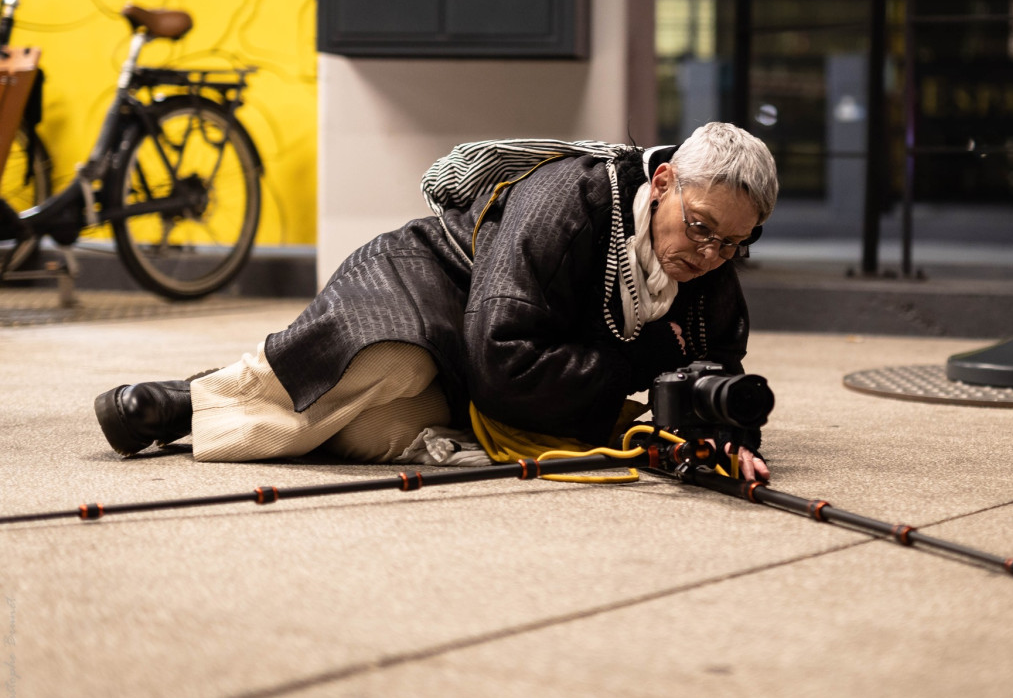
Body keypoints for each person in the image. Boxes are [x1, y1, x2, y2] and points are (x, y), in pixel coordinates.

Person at [94, 122, 779, 479]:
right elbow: (507, 367)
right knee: (388, 365)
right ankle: (190, 401)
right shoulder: (568, 203)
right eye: (701, 228)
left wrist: (724, 438)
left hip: (479, 380)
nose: (710, 255)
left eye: (734, 243)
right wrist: (641, 362)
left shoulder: (709, 263)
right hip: (420, 291)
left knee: (364, 432)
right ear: (662, 182)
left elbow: (716, 371)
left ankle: (211, 406)